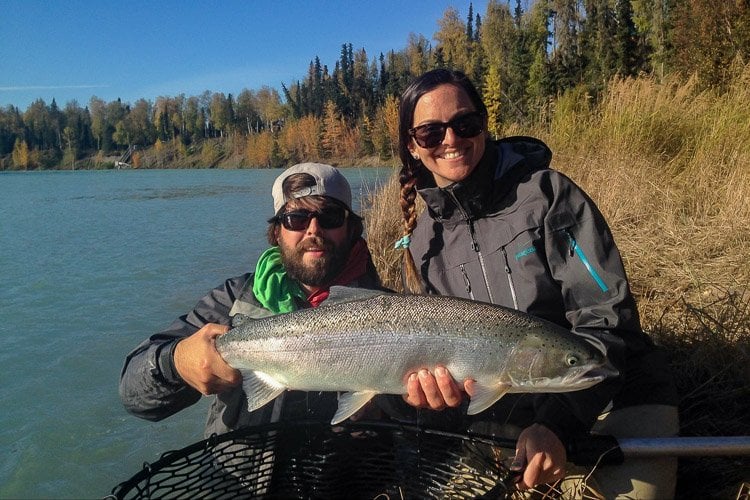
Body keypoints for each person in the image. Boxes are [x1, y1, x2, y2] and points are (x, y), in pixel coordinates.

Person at [391, 69, 679, 499]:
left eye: (465, 124)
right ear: (413, 146)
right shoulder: (421, 240)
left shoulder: (547, 195)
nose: (451, 140)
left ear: (485, 125)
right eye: (431, 133)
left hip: (612, 395)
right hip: (509, 417)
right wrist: (432, 393)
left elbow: (608, 319)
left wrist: (556, 425)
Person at [119, 163, 383, 436]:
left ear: (351, 229)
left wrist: (407, 405)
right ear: (277, 233)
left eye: (330, 217)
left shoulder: (387, 309)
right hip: (239, 476)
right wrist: (175, 362)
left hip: (351, 476)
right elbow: (134, 396)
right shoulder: (232, 300)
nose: (313, 230)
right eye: (296, 219)